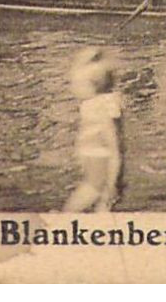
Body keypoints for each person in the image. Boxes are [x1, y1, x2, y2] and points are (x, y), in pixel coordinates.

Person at [63, 48, 123, 213]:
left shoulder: (102, 109)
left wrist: (112, 183)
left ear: (93, 86)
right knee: (99, 208)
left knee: (75, 206)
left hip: (99, 171)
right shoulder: (91, 103)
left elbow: (114, 148)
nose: (72, 88)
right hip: (93, 164)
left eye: (77, 84)